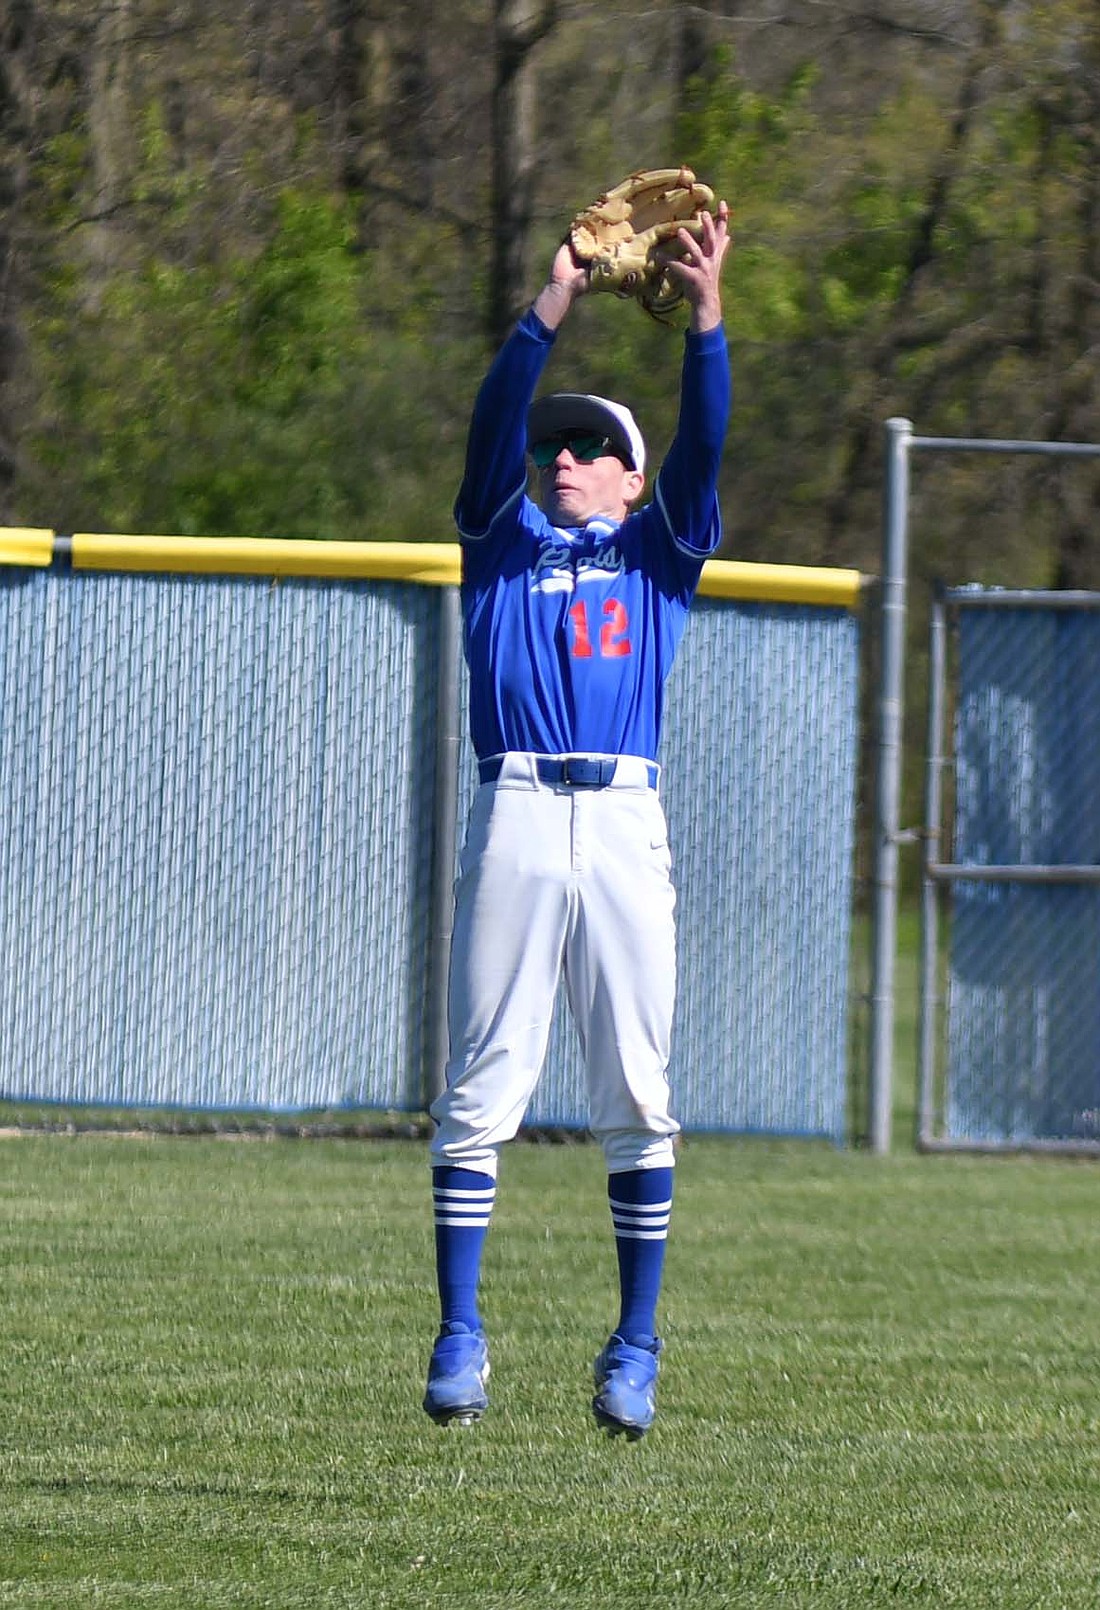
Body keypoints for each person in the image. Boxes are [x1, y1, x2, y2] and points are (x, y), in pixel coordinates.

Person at [423, 198, 731, 1438]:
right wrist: (551, 298)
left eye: (590, 447)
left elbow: (705, 445)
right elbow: (496, 415)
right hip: (512, 808)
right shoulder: (501, 545)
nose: (561, 458)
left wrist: (705, 319)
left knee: (636, 1092)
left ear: (633, 474)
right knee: (478, 1085)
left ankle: (637, 1343)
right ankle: (459, 1330)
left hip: (620, 821)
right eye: (556, 447)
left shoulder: (660, 552)